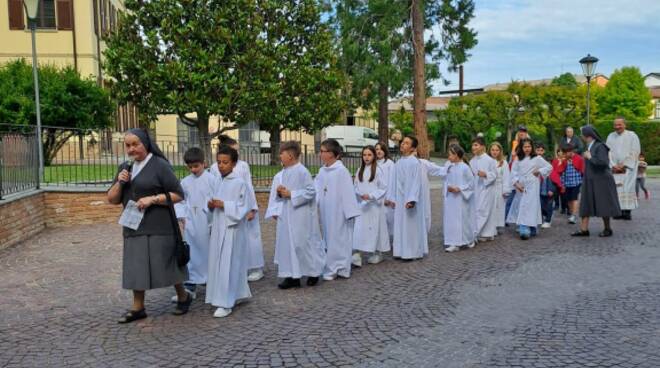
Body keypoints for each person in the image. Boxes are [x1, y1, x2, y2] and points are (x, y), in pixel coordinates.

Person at [107, 128, 190, 323]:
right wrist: (120, 182)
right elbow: (112, 199)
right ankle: (138, 307)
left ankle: (183, 296)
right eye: (128, 145)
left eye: (135, 144)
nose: (131, 149)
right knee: (136, 266)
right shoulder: (125, 167)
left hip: (159, 225)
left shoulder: (159, 165)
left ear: (145, 143)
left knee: (167, 264)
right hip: (133, 226)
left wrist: (153, 199)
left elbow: (178, 194)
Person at [265, 141, 325, 289]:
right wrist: (281, 192)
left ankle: (313, 272)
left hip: (301, 215)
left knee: (302, 245)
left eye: (282, 153)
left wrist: (291, 194)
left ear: (290, 155)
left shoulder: (302, 171)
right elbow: (284, 193)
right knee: (287, 245)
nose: (280, 156)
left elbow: (311, 192)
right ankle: (292, 276)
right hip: (287, 214)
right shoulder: (284, 172)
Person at [205, 146, 252, 318]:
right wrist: (211, 206)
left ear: (233, 163)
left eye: (225, 162)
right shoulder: (218, 181)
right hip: (219, 227)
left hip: (232, 229)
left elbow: (243, 207)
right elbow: (212, 203)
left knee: (229, 263)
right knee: (219, 262)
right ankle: (236, 293)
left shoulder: (239, 183)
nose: (221, 166)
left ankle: (226, 302)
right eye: (218, 162)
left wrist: (224, 205)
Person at [212, 136, 265, 282]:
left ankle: (256, 267)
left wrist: (252, 208)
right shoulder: (214, 168)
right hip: (223, 212)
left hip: (242, 207)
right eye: (234, 149)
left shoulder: (243, 166)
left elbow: (248, 186)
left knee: (251, 237)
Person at [172, 147, 215, 301]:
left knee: (209, 253)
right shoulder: (185, 182)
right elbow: (180, 201)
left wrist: (212, 220)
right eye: (190, 167)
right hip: (191, 223)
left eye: (196, 166)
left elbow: (215, 200)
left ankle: (212, 283)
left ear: (204, 163)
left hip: (207, 223)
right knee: (192, 253)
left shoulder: (212, 180)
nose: (193, 169)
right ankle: (190, 285)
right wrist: (182, 216)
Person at [315, 139, 361, 280]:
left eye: (322, 151)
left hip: (340, 213)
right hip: (326, 212)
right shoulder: (322, 171)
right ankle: (333, 265)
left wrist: (350, 212)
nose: (320, 154)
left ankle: (338, 267)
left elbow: (348, 193)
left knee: (339, 239)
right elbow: (316, 190)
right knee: (329, 239)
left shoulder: (342, 171)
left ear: (331, 153)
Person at [572, 125, 621, 237]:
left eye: (582, 134)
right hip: (590, 179)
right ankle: (584, 229)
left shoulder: (600, 146)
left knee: (604, 204)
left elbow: (603, 163)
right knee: (585, 203)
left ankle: (607, 229)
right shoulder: (589, 146)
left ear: (587, 135)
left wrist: (590, 158)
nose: (581, 136)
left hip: (602, 180)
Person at [386, 136, 428, 260]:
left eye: (406, 143)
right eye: (402, 142)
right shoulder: (398, 163)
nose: (402, 144)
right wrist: (392, 198)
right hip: (399, 200)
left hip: (409, 201)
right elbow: (393, 182)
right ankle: (400, 251)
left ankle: (412, 252)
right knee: (400, 225)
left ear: (413, 148)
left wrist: (412, 199)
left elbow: (416, 183)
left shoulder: (415, 162)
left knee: (410, 226)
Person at [506, 138, 552, 240]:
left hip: (533, 185)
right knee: (522, 206)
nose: (527, 149)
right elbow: (513, 173)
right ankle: (523, 227)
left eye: (529, 146)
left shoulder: (537, 158)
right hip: (521, 186)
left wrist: (539, 171)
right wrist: (516, 184)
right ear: (521, 148)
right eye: (525, 147)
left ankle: (532, 226)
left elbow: (549, 167)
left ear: (532, 147)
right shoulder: (518, 159)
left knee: (531, 206)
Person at [352, 146, 389, 266]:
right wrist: (360, 194)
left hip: (374, 206)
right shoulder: (359, 170)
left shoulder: (378, 170)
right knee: (359, 229)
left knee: (375, 228)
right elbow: (356, 186)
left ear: (374, 156)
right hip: (362, 205)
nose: (366, 157)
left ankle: (378, 252)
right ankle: (358, 253)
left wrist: (372, 196)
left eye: (369, 155)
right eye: (364, 155)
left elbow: (383, 188)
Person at [440, 145, 475, 252]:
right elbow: (445, 179)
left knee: (462, 220)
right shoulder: (448, 166)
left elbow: (471, 183)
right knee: (451, 220)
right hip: (450, 198)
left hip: (461, 199)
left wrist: (459, 188)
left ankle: (468, 239)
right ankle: (453, 242)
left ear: (456, 155)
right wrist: (448, 187)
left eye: (450, 154)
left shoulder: (465, 167)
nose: (448, 156)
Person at [606, 117, 640, 220]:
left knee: (627, 188)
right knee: (616, 190)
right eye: (615, 125)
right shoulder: (610, 136)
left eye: (619, 124)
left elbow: (635, 151)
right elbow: (608, 152)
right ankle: (618, 211)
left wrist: (624, 165)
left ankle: (627, 212)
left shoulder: (632, 136)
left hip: (628, 169)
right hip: (615, 169)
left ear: (625, 125)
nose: (617, 127)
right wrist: (613, 165)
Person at [469, 137, 498, 242]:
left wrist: (486, 174)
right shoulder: (472, 161)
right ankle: (483, 233)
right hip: (476, 189)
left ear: (482, 147)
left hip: (487, 189)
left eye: (476, 145)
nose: (473, 147)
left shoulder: (490, 160)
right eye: (473, 145)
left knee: (483, 211)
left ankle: (475, 234)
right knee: (477, 210)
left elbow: (495, 174)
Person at [554, 143, 584, 224]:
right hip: (567, 183)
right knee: (569, 199)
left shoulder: (579, 158)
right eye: (564, 153)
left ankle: (574, 215)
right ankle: (572, 213)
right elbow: (561, 172)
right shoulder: (564, 160)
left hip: (576, 182)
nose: (564, 154)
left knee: (574, 198)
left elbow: (582, 170)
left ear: (570, 151)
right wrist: (562, 183)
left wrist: (583, 181)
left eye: (565, 153)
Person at [505, 125, 529, 219]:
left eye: (523, 131)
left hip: (524, 175)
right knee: (510, 196)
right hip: (514, 172)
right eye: (520, 131)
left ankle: (523, 220)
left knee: (524, 200)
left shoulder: (529, 144)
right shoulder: (514, 143)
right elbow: (511, 158)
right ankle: (505, 218)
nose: (521, 133)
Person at [489, 142, 511, 232]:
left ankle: (496, 226)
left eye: (497, 150)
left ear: (500, 151)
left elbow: (506, 177)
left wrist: (505, 190)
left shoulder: (504, 162)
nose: (494, 152)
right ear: (489, 150)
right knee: (490, 207)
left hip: (499, 187)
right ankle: (489, 226)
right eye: (493, 150)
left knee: (498, 207)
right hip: (489, 188)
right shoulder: (487, 161)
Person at [375, 142, 396, 237]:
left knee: (389, 219)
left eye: (380, 149)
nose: (378, 151)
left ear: (384, 151)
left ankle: (391, 240)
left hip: (387, 196)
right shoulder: (373, 163)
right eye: (376, 149)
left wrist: (389, 197)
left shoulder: (389, 163)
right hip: (376, 197)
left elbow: (392, 181)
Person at [536, 143, 557, 229]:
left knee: (549, 204)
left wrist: (552, 189)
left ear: (544, 151)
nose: (539, 152)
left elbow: (554, 177)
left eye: (541, 150)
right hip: (540, 188)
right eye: (538, 150)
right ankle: (544, 217)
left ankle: (548, 220)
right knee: (541, 205)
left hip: (549, 188)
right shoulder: (533, 160)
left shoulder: (547, 161)